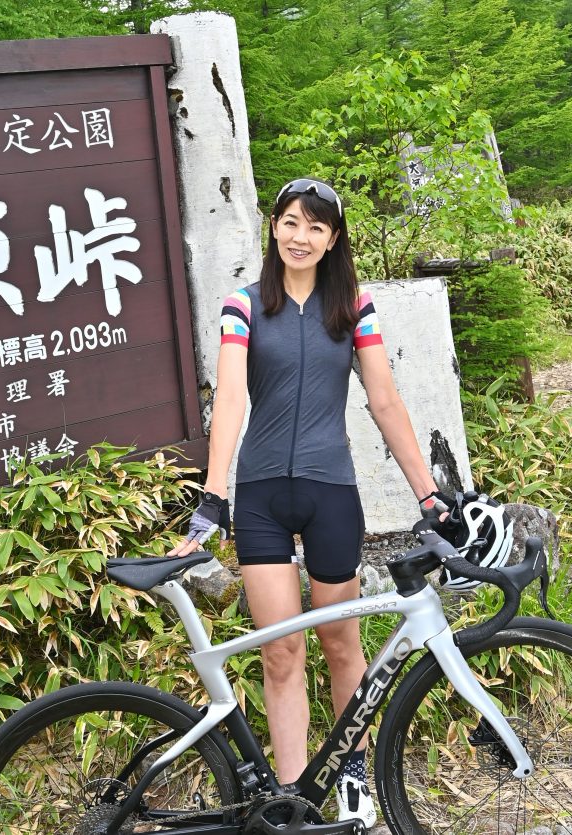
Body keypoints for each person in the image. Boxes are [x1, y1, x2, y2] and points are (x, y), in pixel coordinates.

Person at [168, 178, 447, 827]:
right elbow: (230, 400)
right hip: (261, 498)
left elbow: (384, 400)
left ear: (332, 238)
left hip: (331, 493)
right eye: (291, 222)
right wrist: (213, 495)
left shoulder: (353, 306)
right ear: (274, 227)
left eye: (316, 227)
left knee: (341, 644)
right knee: (280, 652)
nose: (301, 236)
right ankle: (293, 797)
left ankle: (351, 773)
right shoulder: (242, 306)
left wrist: (428, 493)